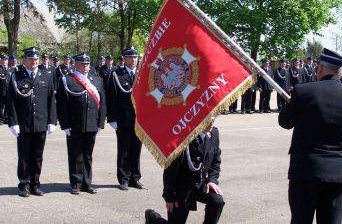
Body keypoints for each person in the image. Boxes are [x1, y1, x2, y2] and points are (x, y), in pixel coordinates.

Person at [278, 48, 342, 224]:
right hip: (336, 173)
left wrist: (293, 102)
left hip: (305, 171)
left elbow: (285, 122)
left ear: (320, 68)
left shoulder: (303, 91)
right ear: (340, 72)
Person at [145, 117, 225, 224]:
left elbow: (215, 161)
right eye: (208, 120)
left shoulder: (214, 133)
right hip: (181, 189)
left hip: (200, 184)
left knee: (217, 201)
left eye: (213, 119)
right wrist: (170, 197)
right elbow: (170, 170)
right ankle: (153, 218)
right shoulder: (182, 138)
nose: (212, 123)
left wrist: (212, 180)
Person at [7, 47, 57, 197]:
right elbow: (11, 102)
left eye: (36, 59)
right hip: (24, 124)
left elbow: (51, 100)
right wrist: (13, 122)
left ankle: (35, 184)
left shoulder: (46, 76)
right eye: (31, 59)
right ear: (24, 60)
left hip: (41, 123)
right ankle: (24, 184)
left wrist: (52, 121)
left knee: (37, 156)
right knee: (24, 156)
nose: (34, 61)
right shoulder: (17, 77)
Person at [56, 53, 106, 195]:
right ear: (75, 64)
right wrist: (65, 125)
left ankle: (87, 183)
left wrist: (100, 123)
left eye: (87, 64)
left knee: (88, 155)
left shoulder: (97, 80)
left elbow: (103, 103)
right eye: (82, 64)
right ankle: (76, 183)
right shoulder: (67, 80)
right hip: (74, 124)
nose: (85, 66)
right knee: (75, 154)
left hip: (91, 124)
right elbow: (62, 105)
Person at [106, 46, 144, 190]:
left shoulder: (142, 74)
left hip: (139, 121)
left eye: (135, 57)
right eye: (130, 57)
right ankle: (123, 179)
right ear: (124, 58)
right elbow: (111, 98)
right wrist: (112, 118)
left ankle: (135, 178)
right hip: (123, 119)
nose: (133, 60)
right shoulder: (116, 74)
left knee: (136, 149)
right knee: (124, 150)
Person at [0, 54, 10, 124]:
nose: (4, 61)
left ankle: (6, 118)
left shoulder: (11, 69)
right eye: (3, 60)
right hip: (0, 91)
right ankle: (1, 119)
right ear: (1, 61)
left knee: (8, 105)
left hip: (9, 91)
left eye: (6, 60)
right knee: (0, 106)